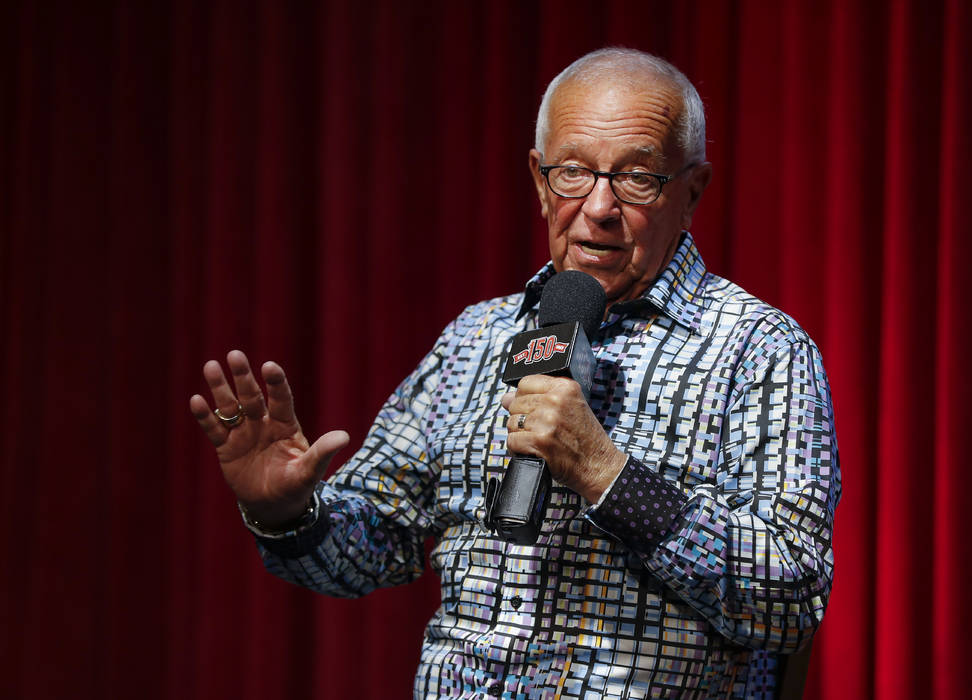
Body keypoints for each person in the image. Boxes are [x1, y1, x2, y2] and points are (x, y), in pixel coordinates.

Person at [190, 48, 841, 699]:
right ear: (538, 180)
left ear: (691, 190)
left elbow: (791, 597)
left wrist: (605, 474)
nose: (600, 206)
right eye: (573, 173)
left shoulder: (760, 349)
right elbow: (367, 550)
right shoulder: (476, 338)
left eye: (638, 177)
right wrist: (287, 512)